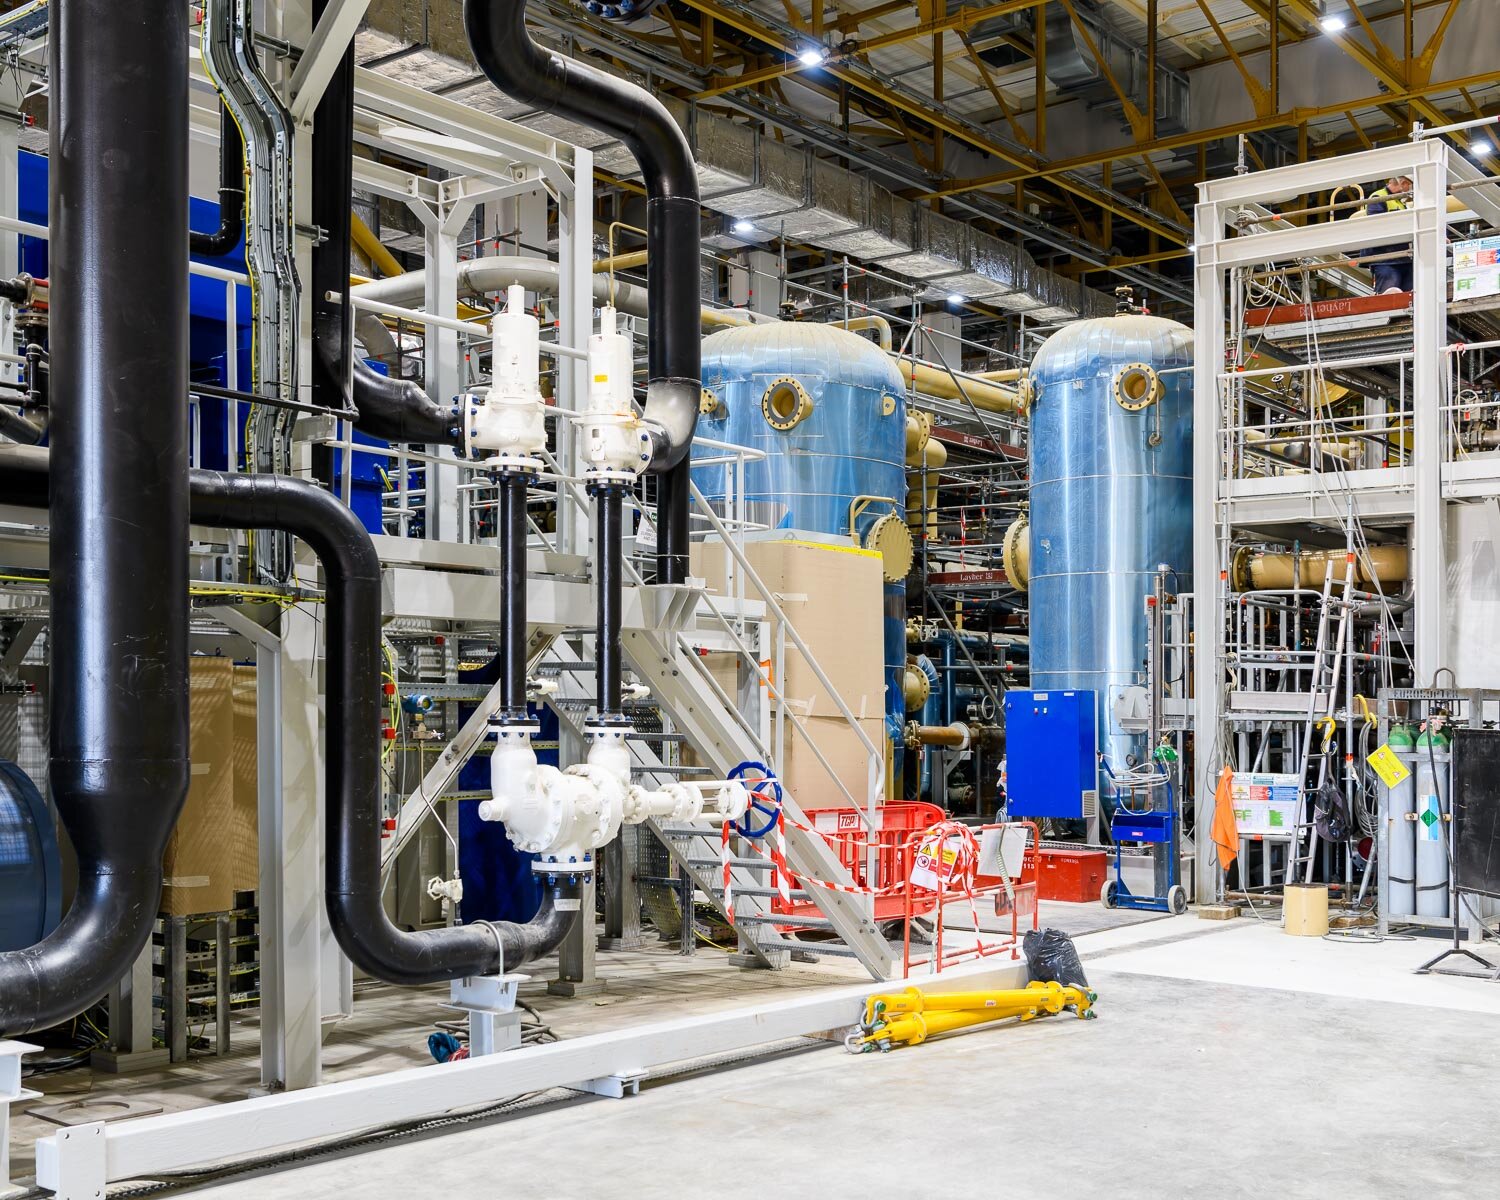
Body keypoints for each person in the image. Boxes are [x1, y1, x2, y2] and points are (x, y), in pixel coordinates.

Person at [1360, 175, 1413, 294]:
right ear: (1404, 183)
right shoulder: (1378, 197)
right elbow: (1378, 225)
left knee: (1409, 297)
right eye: (1409, 186)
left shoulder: (1400, 202)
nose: (1409, 190)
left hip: (1403, 258)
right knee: (1389, 296)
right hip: (1384, 259)